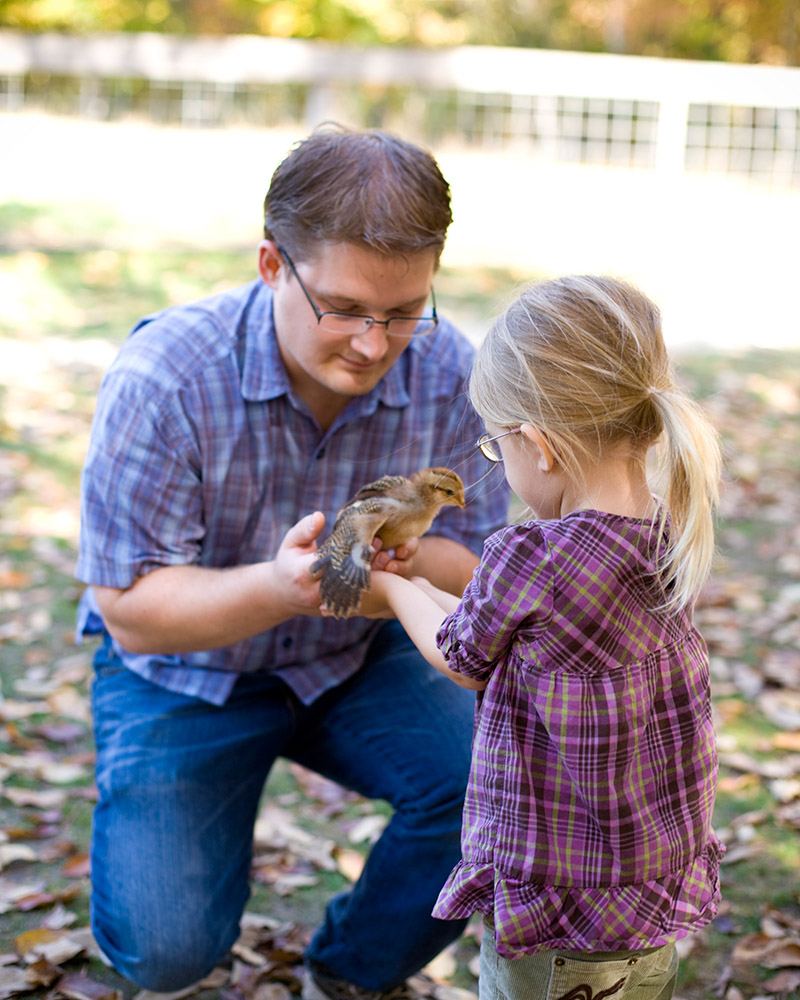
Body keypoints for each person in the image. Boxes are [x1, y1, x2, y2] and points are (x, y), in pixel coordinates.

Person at [75, 124, 510, 999]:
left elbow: (489, 568)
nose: (372, 343)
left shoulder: (450, 369)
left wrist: (410, 560)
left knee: (495, 791)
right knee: (165, 951)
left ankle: (347, 974)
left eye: (402, 311)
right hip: (186, 674)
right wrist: (282, 589)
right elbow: (128, 607)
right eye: (345, 308)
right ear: (273, 265)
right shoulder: (165, 376)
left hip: (355, 660)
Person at [361, 275, 724, 1000]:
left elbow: (461, 655)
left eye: (498, 449)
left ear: (539, 444)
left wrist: (394, 588)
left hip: (562, 911)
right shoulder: (665, 526)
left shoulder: (536, 556)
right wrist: (433, 588)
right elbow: (489, 629)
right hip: (644, 894)